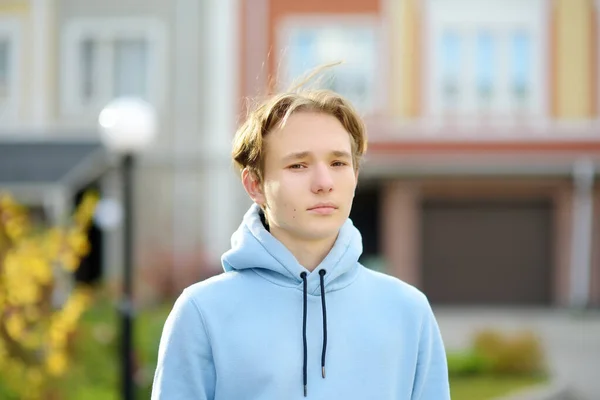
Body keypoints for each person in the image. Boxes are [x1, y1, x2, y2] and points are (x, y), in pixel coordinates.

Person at [151, 67, 451, 399]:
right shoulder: (202, 312)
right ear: (255, 185)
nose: (324, 182)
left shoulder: (408, 311)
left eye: (338, 163)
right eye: (298, 165)